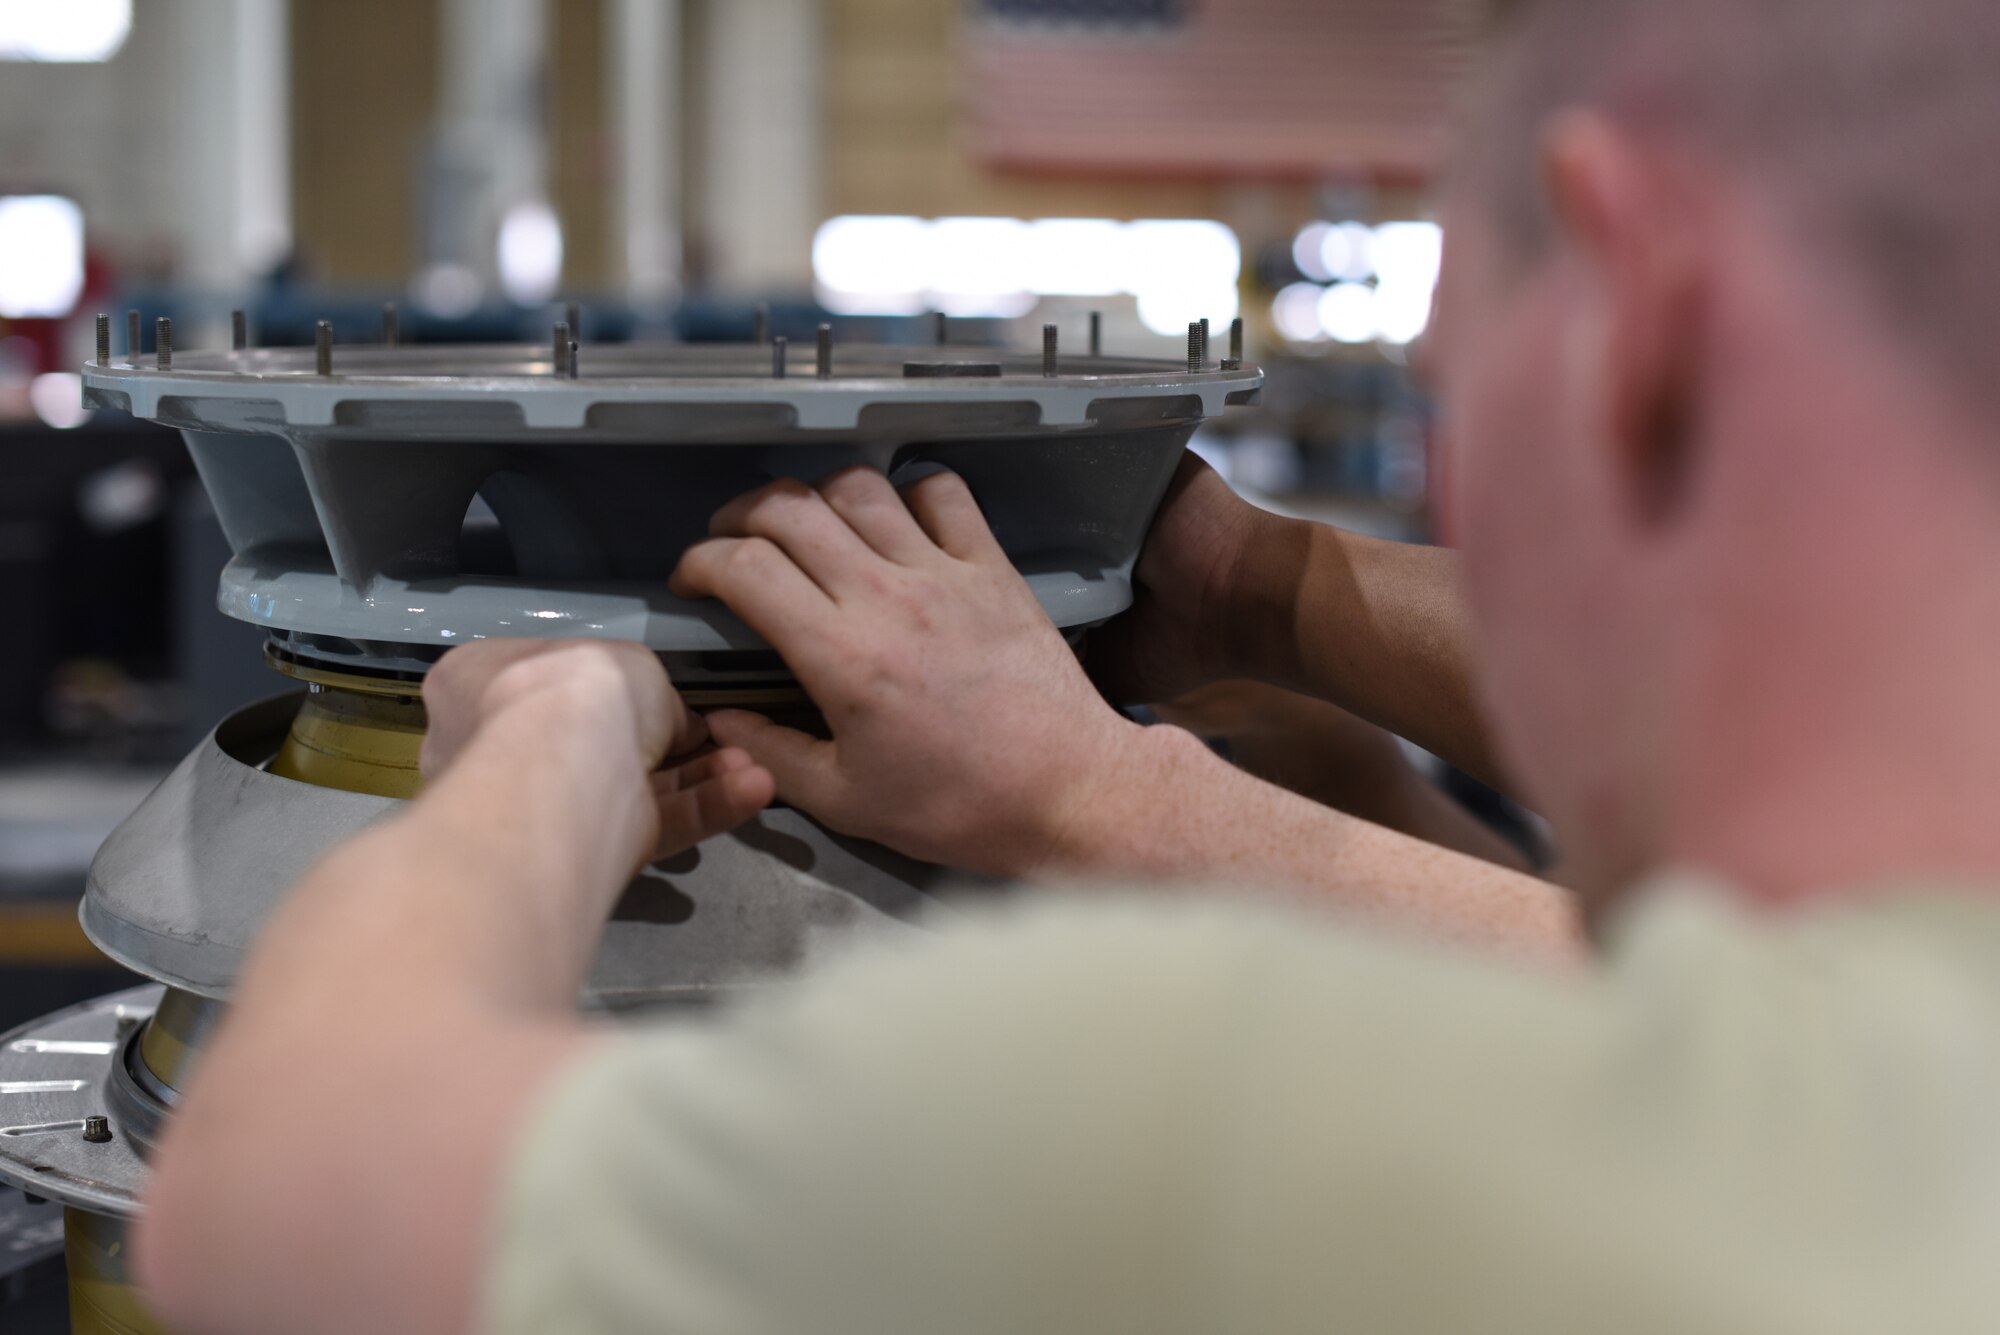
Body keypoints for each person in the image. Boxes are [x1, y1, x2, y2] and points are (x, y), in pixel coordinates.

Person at [136, 0, 2000, 1329]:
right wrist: (1267, 611)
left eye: (1453, 386)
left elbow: (276, 1200)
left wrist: (536, 731)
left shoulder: (1185, 1118)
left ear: (1639, 315)